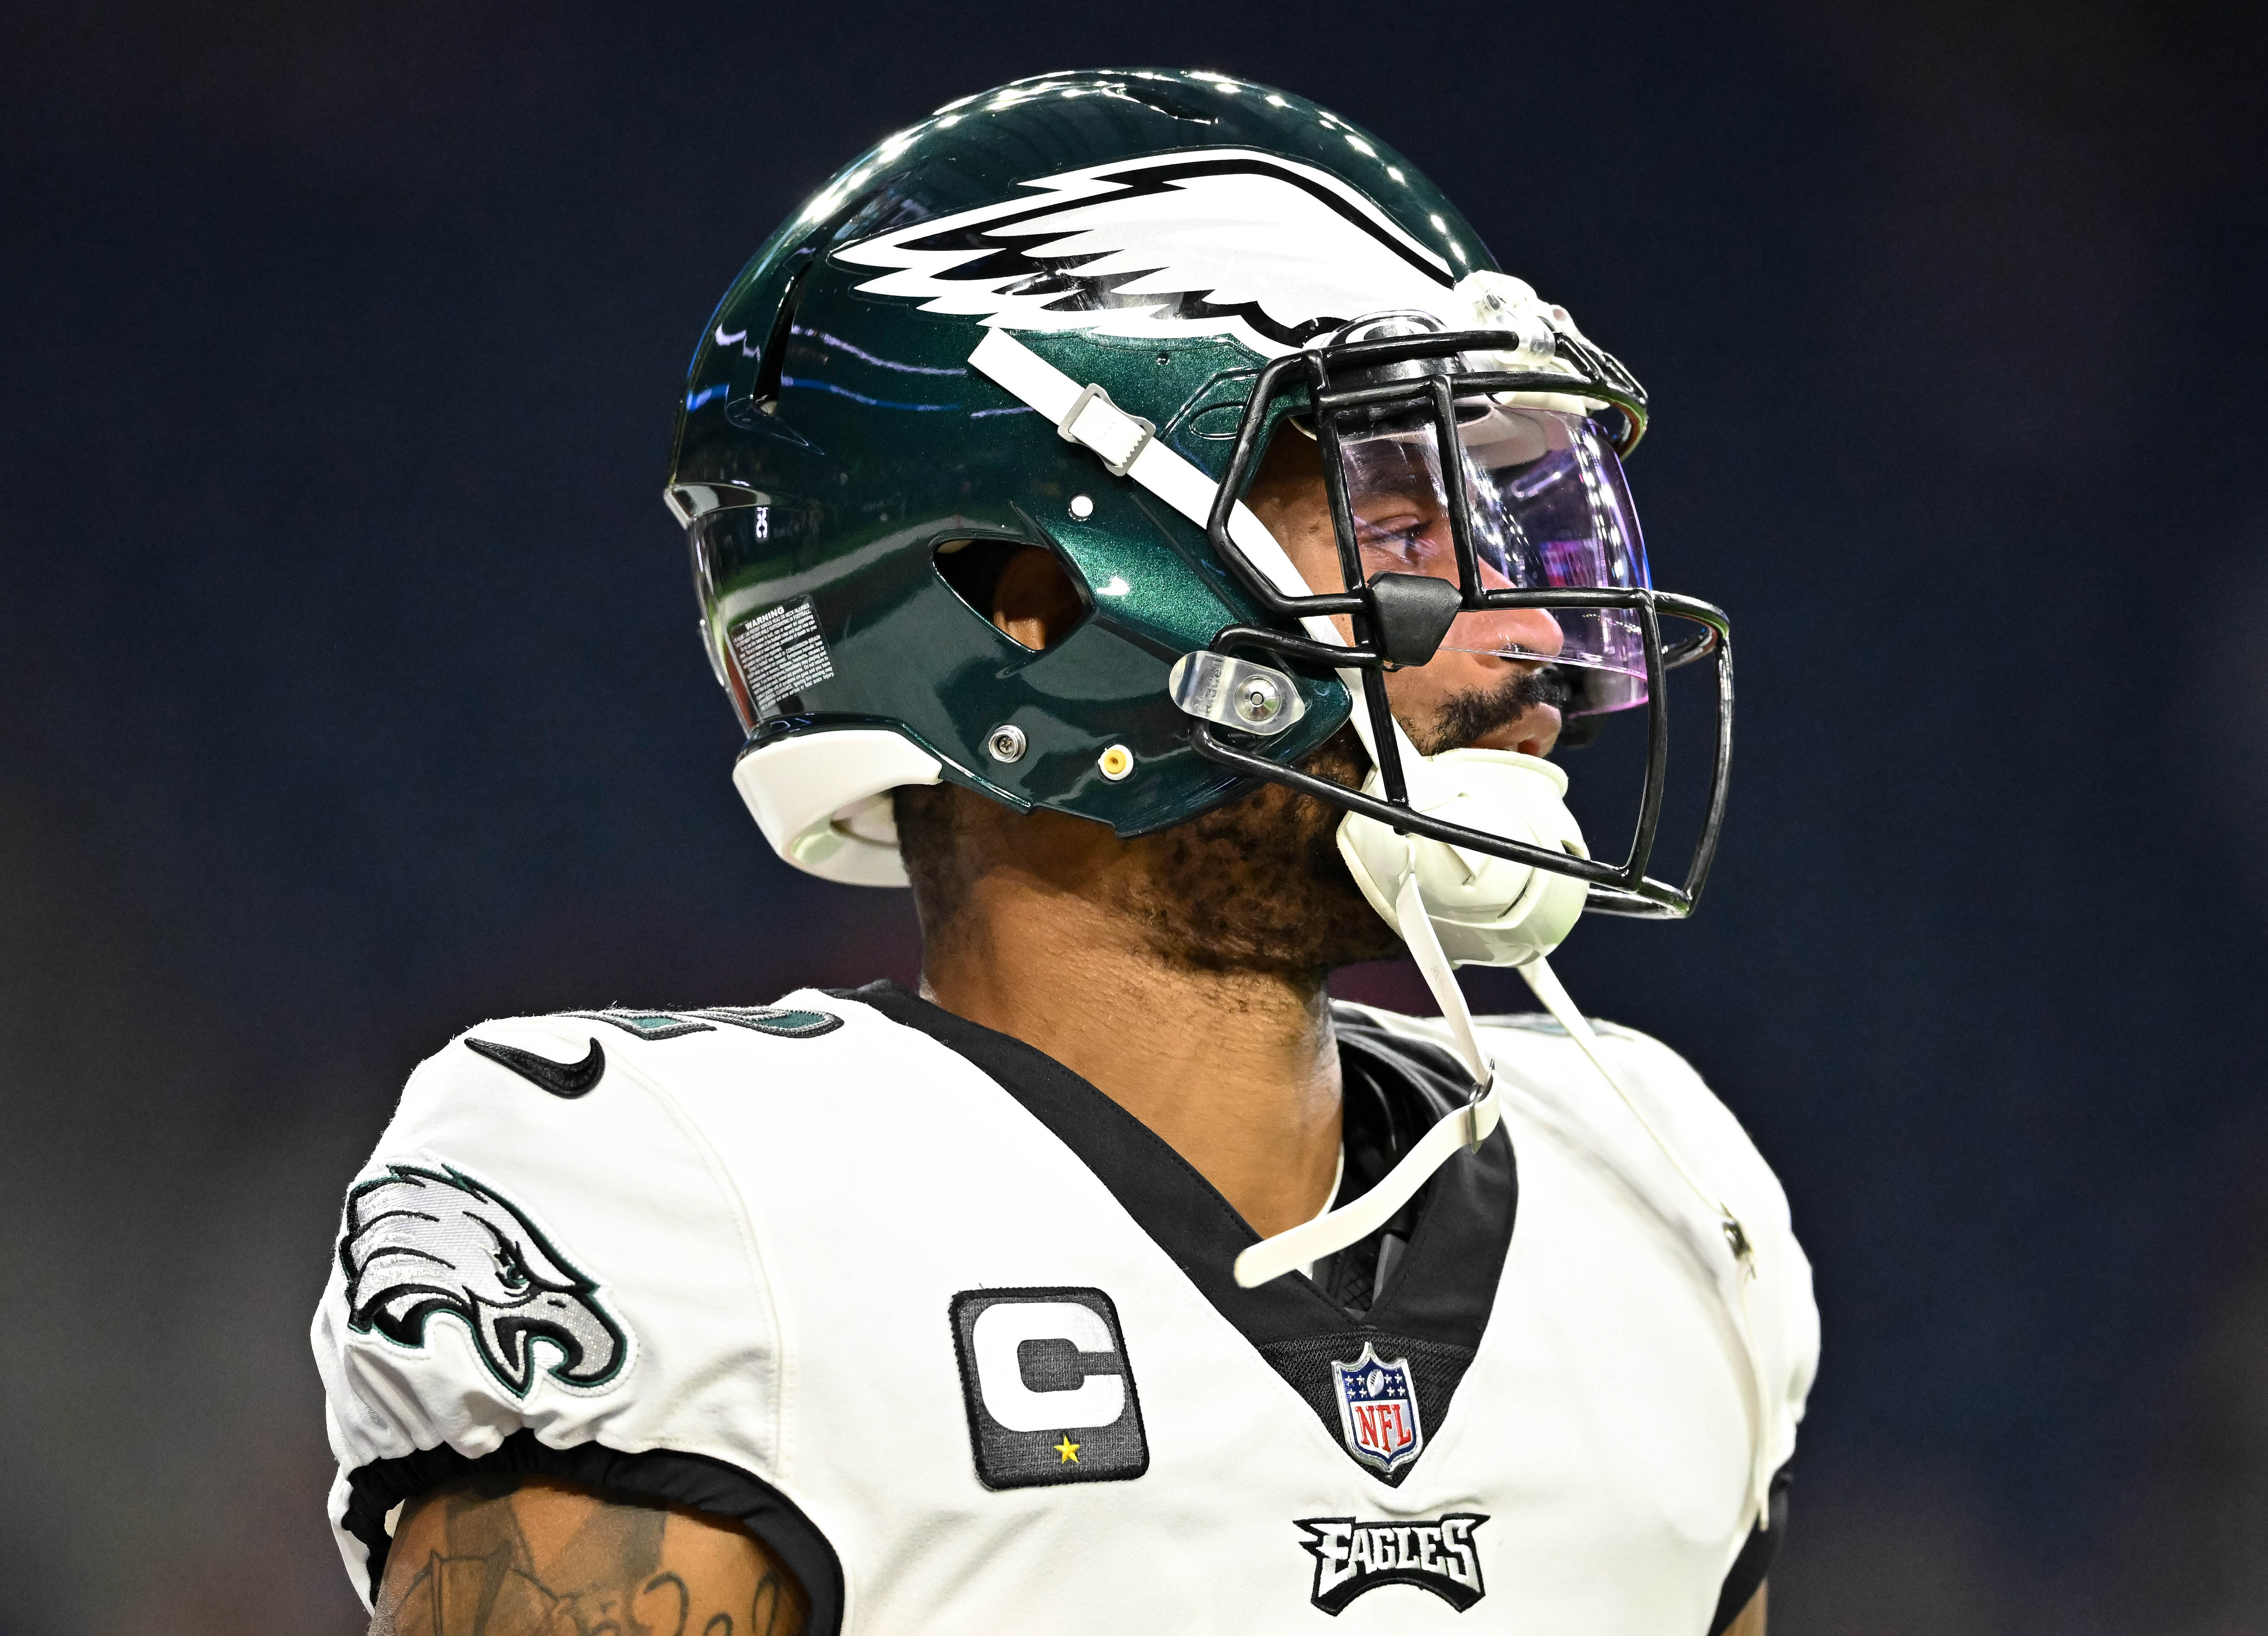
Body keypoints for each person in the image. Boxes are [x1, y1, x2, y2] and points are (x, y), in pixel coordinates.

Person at [315, 68, 1818, 1636]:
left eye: (1511, 531)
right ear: (1029, 593)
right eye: (1392, 522)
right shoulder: (699, 1213)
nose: (1532, 645)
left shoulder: (1654, 1189)